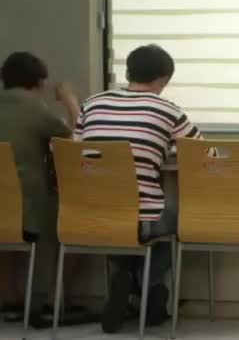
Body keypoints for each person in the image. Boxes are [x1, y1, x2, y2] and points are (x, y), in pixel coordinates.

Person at [74, 44, 202, 333]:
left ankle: (124, 279)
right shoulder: (168, 111)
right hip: (142, 218)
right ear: (163, 79)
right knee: (175, 220)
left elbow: (75, 149)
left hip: (90, 215)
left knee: (122, 221)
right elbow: (203, 153)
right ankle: (147, 286)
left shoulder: (91, 104)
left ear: (128, 73)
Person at [0, 51, 80, 327]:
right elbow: (75, 140)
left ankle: (9, 300)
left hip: (5, 205)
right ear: (39, 81)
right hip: (29, 203)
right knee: (71, 223)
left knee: (6, 232)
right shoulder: (35, 108)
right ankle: (50, 301)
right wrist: (70, 102)